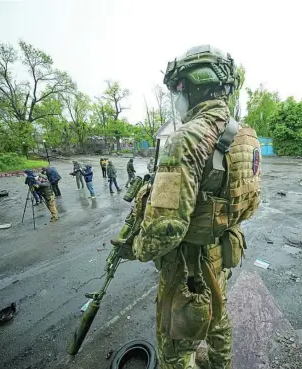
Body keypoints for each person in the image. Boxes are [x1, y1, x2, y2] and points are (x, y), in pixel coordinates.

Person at [118, 45, 261, 369]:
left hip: (186, 267)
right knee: (218, 319)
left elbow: (166, 229)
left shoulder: (187, 138)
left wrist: (137, 246)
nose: (177, 98)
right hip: (219, 251)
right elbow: (249, 202)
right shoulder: (244, 136)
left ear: (193, 87)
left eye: (178, 89)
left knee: (174, 350)